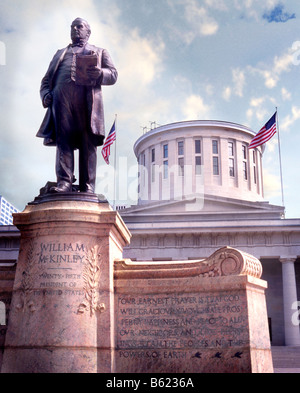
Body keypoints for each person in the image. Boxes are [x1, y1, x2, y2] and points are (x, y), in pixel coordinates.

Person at [37, 17, 118, 193]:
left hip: (87, 102)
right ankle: (64, 182)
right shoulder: (60, 53)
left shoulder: (100, 51)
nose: (75, 29)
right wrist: (46, 96)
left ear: (88, 32)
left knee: (87, 142)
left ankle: (87, 185)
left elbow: (113, 74)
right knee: (63, 141)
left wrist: (100, 73)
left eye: (79, 26)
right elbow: (45, 81)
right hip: (61, 100)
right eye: (72, 27)